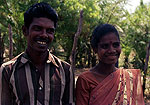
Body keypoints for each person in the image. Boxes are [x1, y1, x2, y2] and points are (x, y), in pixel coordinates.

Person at [0, 2, 74, 105]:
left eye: (49, 31)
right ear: (25, 31)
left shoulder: (65, 70)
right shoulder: (8, 70)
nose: (44, 35)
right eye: (38, 29)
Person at [76, 24, 145, 105]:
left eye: (116, 45)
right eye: (105, 46)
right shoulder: (85, 80)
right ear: (95, 49)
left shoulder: (130, 77)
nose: (112, 50)